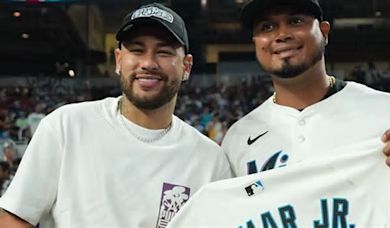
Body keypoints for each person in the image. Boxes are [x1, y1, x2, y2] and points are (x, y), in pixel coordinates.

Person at [167, 0, 390, 226]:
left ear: (324, 31)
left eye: (295, 21)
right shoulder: (238, 139)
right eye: (267, 27)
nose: (281, 34)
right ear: (256, 42)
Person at [0, 3, 232, 228]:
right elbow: (15, 216)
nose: (148, 63)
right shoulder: (66, 126)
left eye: (163, 52)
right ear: (119, 60)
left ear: (187, 66)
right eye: (137, 50)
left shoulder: (210, 160)